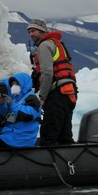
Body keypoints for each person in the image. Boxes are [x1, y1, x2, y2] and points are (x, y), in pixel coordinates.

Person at [27, 18, 78, 146]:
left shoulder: (44, 45)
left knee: (49, 134)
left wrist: (42, 97)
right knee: (64, 135)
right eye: (29, 32)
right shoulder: (57, 44)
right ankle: (70, 156)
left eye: (33, 31)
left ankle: (47, 157)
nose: (31, 34)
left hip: (57, 94)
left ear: (41, 31)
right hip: (69, 92)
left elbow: (47, 73)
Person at [0, 72, 43, 149]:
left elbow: (28, 115)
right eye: (13, 84)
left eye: (17, 84)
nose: (14, 86)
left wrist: (11, 104)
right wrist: (1, 105)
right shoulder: (17, 98)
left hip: (21, 137)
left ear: (24, 84)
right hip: (14, 133)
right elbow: (13, 116)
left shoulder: (32, 98)